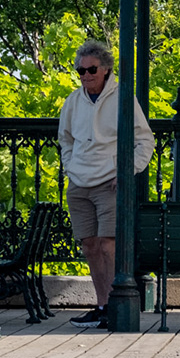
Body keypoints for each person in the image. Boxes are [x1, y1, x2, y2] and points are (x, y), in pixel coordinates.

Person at [55, 39, 154, 326]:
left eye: (91, 70)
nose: (86, 76)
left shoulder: (123, 97)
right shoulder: (73, 101)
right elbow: (66, 139)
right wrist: (70, 167)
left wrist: (126, 172)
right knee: (89, 246)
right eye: (81, 71)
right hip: (79, 181)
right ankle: (101, 305)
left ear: (106, 69)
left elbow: (144, 140)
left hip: (110, 181)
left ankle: (116, 305)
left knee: (109, 245)